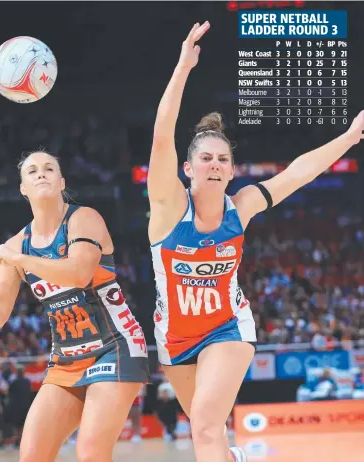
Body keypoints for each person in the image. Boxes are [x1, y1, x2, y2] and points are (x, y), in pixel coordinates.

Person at [147, 20, 364, 462]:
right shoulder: (169, 207)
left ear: (230, 170)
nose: (213, 164)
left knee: (206, 425)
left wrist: (349, 136)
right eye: (204, 158)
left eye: (222, 159)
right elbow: (162, 134)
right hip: (174, 337)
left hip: (229, 327)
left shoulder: (241, 205)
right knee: (208, 437)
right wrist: (183, 67)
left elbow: (298, 173)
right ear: (188, 169)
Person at [0, 150, 150, 462]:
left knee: (91, 453)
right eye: (32, 171)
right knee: (31, 455)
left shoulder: (84, 218)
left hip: (116, 345)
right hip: (67, 358)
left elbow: (79, 273)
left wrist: (19, 260)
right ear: (22, 188)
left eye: (49, 169)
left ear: (61, 182)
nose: (41, 174)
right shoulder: (17, 245)